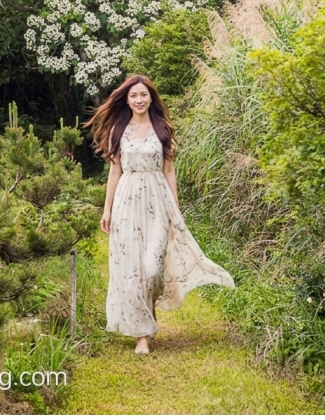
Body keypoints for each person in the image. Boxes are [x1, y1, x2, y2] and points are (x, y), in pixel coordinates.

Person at [85, 74, 234, 353]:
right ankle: (142, 335)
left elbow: (169, 171)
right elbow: (115, 172)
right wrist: (107, 210)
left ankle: (148, 305)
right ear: (126, 100)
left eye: (143, 95)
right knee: (132, 269)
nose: (139, 100)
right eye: (133, 96)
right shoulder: (118, 130)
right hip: (127, 201)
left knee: (152, 269)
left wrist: (174, 209)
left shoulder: (162, 129)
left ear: (151, 98)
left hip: (157, 200)